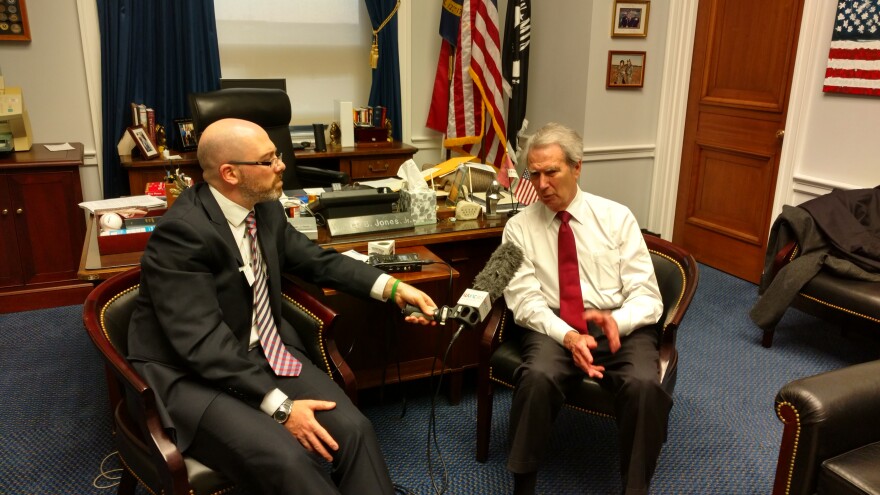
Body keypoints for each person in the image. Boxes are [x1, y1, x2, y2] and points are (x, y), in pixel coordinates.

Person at [127, 118, 439, 495]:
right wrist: (283, 408)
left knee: (356, 430)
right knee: (289, 460)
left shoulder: (265, 208)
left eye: (276, 155)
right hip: (190, 375)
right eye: (268, 160)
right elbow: (202, 346)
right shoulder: (181, 235)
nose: (281, 165)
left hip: (263, 352)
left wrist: (390, 287)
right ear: (230, 173)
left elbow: (315, 260)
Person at [501, 122, 667, 495]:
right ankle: (522, 486)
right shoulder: (517, 229)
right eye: (534, 174)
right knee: (537, 377)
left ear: (576, 168)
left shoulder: (617, 218)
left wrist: (616, 322)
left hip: (617, 324)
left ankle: (635, 488)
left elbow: (648, 296)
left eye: (552, 172)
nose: (541, 185)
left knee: (643, 386)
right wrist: (569, 334)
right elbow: (525, 301)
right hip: (555, 325)